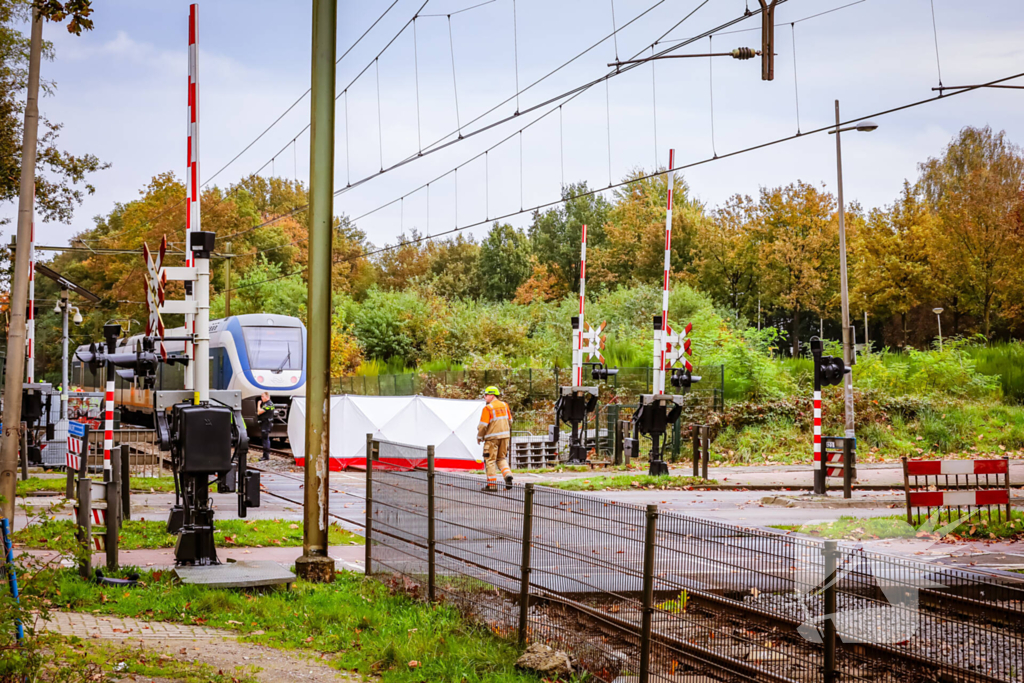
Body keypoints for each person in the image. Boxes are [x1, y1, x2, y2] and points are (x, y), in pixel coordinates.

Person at [477, 386, 513, 491]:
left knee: (490, 460)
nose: (484, 397)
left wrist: (479, 436)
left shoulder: (488, 408)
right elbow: (510, 421)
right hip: (505, 437)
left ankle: (492, 485)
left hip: (492, 438)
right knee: (501, 458)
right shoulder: (505, 405)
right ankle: (507, 475)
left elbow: (483, 425)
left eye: (486, 395)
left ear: (492, 395)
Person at [256, 391, 275, 461]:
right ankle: (266, 455)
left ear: (267, 397)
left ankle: (266, 456)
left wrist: (258, 404)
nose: (261, 398)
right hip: (266, 423)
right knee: (265, 439)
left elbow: (259, 412)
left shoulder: (268, 404)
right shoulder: (269, 404)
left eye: (263, 396)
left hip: (266, 424)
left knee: (265, 439)